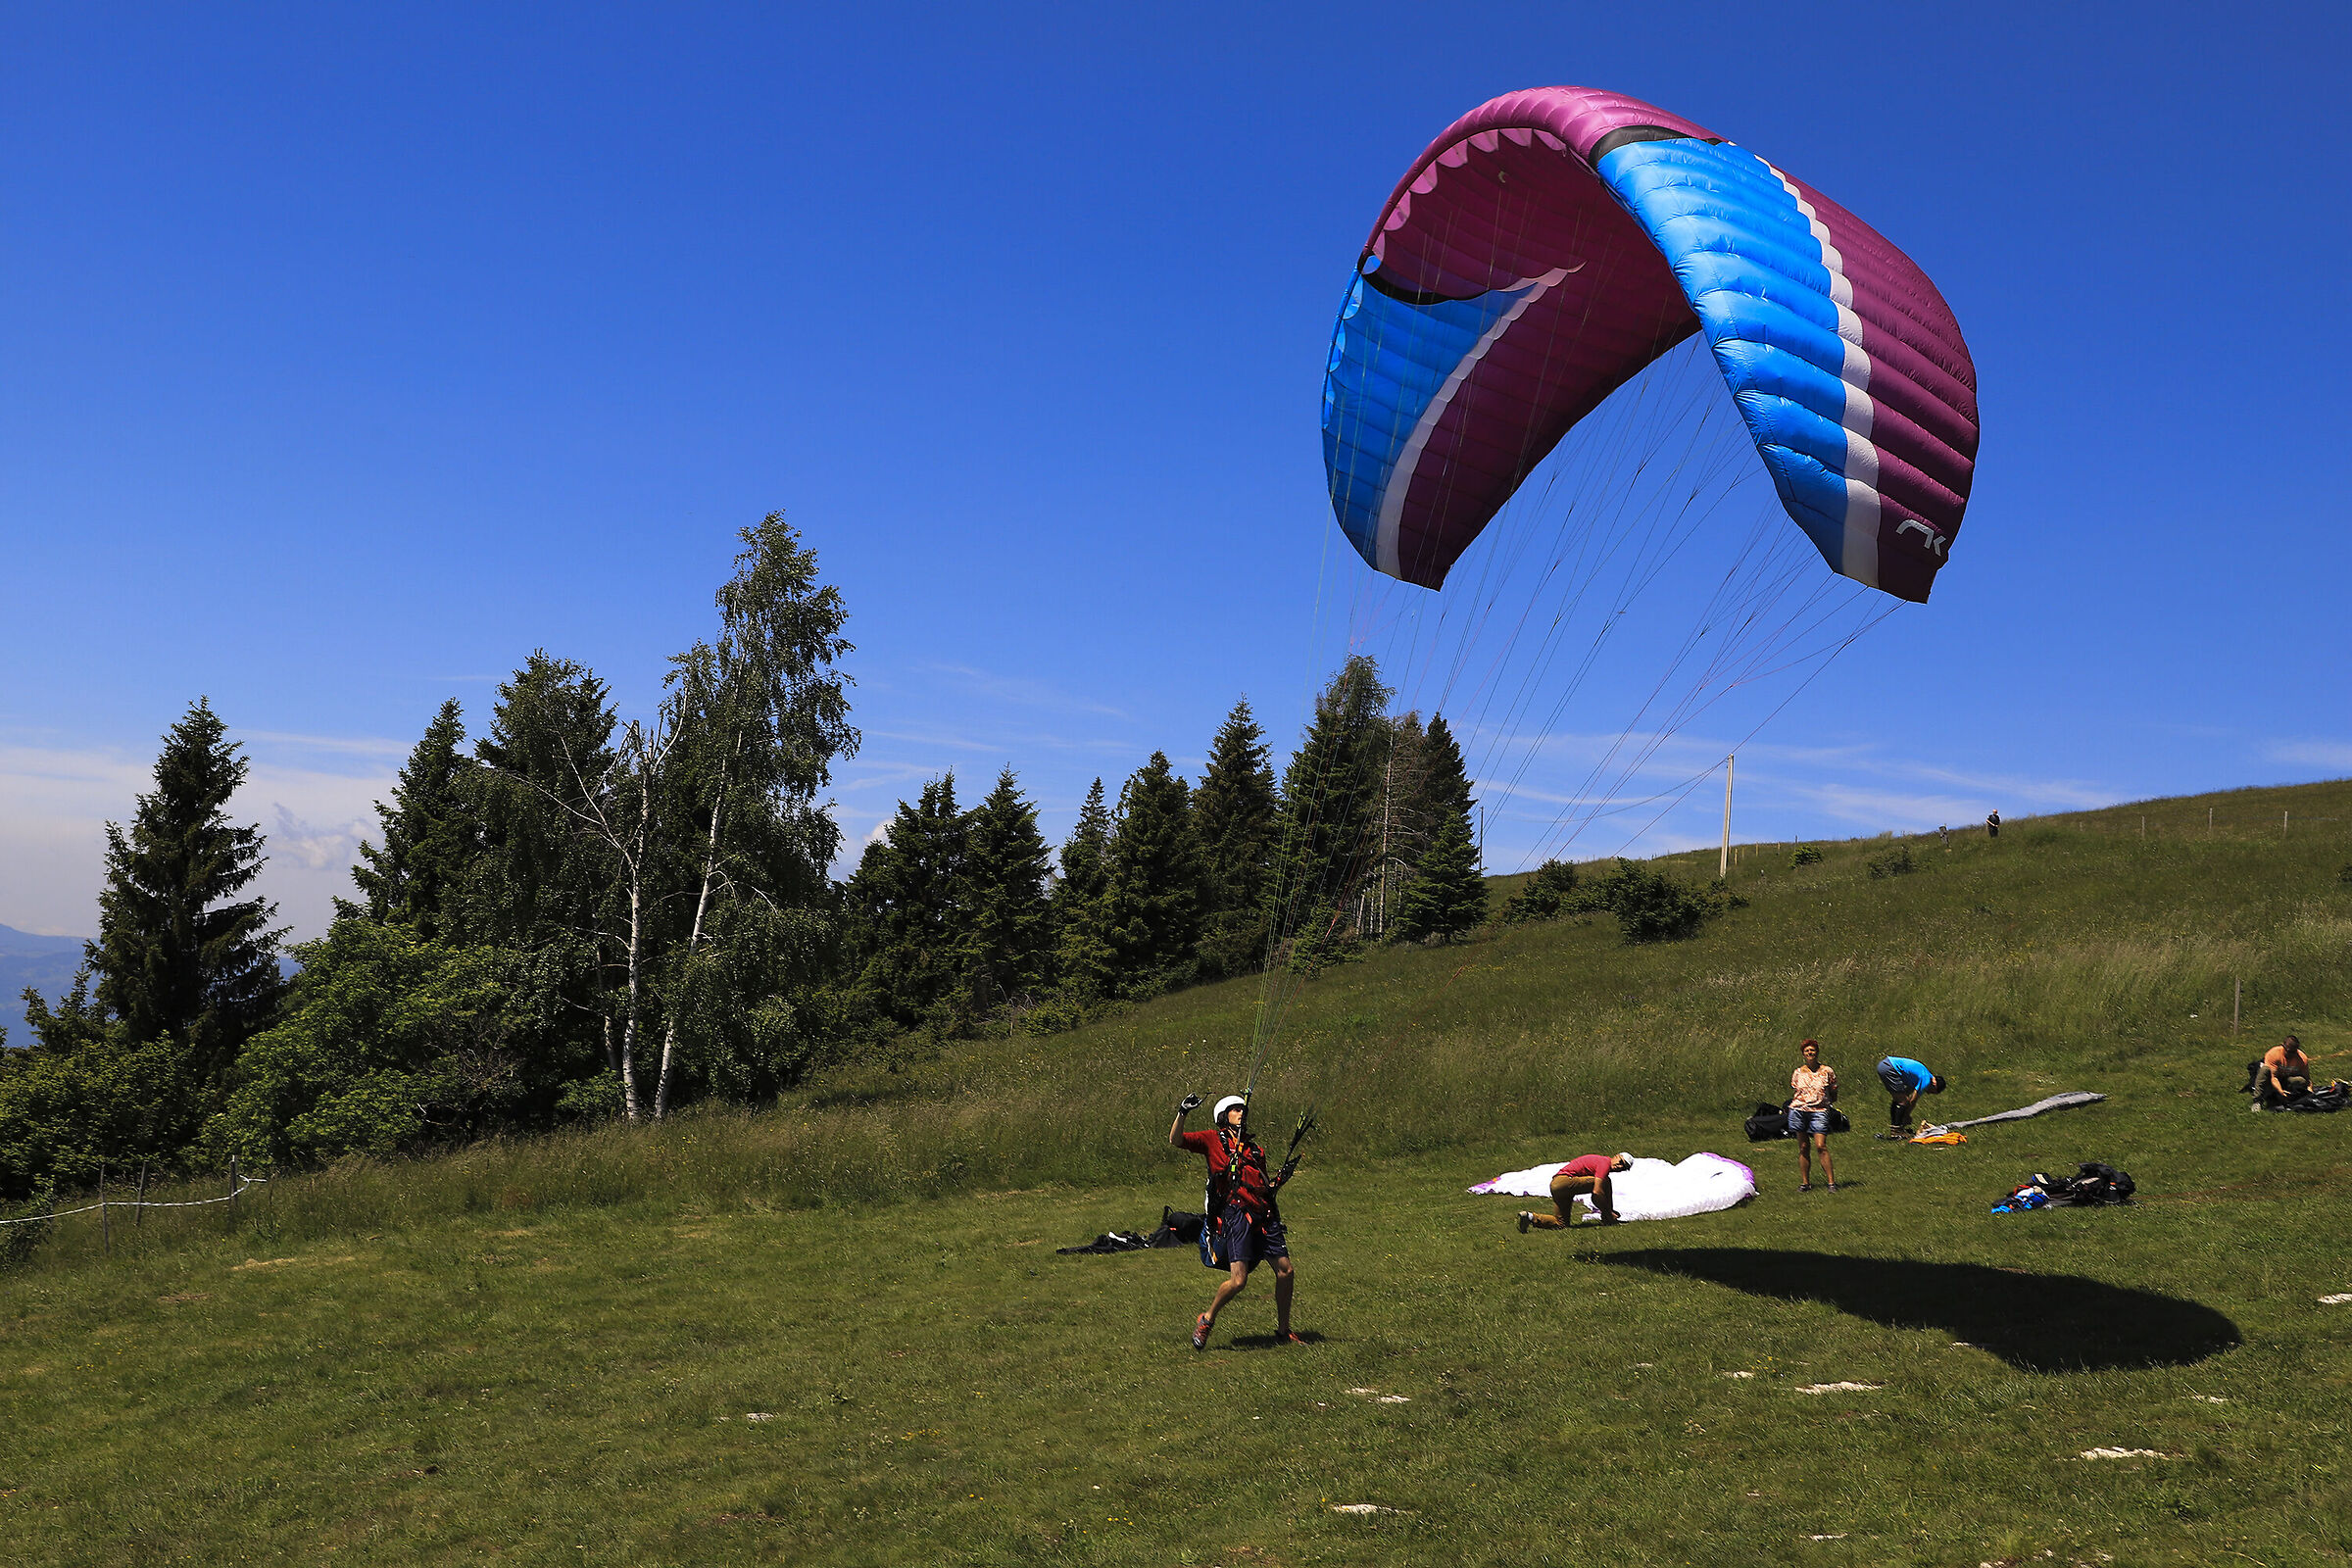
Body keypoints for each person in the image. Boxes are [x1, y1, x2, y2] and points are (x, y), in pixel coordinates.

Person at [1168, 1092, 1298, 1350]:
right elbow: (1176, 1140)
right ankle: (1206, 1319)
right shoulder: (1211, 1140)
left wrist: (1277, 1182)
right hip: (1236, 1215)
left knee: (1286, 1271)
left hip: (1263, 1212)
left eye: (1243, 1109)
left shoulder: (1254, 1149)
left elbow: (1261, 1185)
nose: (1241, 1113)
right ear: (1223, 1116)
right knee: (1239, 1281)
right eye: (1236, 1109)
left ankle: (1283, 1331)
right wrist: (1183, 1112)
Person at [1517, 1152, 1634, 1231]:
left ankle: (1530, 1217)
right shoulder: (1605, 1163)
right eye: (1621, 1162)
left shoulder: (1602, 1162)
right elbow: (1597, 1193)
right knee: (1605, 1182)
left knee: (1561, 1224)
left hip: (1557, 1185)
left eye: (1624, 1168)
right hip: (1565, 1181)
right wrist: (1608, 1211)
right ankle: (1608, 1219)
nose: (1619, 1166)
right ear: (1616, 1156)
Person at [1788, 1039, 1838, 1192]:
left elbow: (1833, 1090)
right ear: (1803, 1054)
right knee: (1803, 1147)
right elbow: (1796, 1091)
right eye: (1807, 1051)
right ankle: (1805, 1183)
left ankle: (1831, 1183)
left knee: (1821, 1146)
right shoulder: (1798, 1072)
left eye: (1812, 1050)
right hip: (1799, 1111)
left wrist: (1827, 1103)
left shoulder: (1827, 1071)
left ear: (1817, 1052)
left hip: (1819, 1111)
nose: (1810, 1053)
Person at [1875, 1054, 1947, 1132]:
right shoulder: (1926, 1080)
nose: (1928, 1093)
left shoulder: (1921, 1075)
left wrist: (1905, 1114)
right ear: (1934, 1085)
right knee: (1903, 1101)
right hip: (1890, 1068)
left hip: (1885, 1065)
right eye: (1931, 1091)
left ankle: (1896, 1127)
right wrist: (1906, 1115)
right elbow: (1913, 1100)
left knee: (1899, 1100)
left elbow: (1907, 1093)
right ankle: (1896, 1131)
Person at [2252, 1035, 2314, 1109]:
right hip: (2270, 1080)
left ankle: (2288, 1097)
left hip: (2285, 1080)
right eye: (2289, 1051)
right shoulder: (2273, 1054)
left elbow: (2307, 1079)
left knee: (2301, 1081)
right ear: (2283, 1046)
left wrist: (2310, 1091)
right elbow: (2273, 1078)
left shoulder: (2302, 1059)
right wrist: (2280, 1091)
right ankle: (2257, 1101)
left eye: (2294, 1052)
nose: (2291, 1054)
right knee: (2264, 1070)